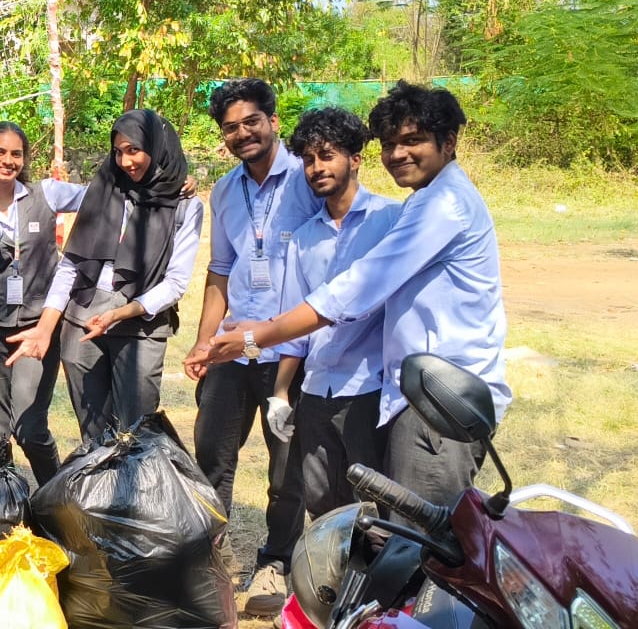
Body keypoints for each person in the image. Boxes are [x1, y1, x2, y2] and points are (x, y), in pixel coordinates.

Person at [192, 80, 510, 515]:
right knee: (336, 513)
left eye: (413, 141)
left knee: (413, 531)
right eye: (391, 143)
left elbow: (356, 289)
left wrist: (258, 337)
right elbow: (297, 301)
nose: (398, 154)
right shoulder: (407, 208)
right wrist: (275, 377)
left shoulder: (431, 209)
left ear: (449, 141)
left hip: (434, 396)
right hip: (371, 389)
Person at [182, 78, 319, 615]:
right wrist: (203, 341)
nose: (242, 134)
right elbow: (220, 270)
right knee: (212, 452)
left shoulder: (307, 177)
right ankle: (208, 560)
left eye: (251, 122)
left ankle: (275, 562)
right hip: (232, 349)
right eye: (231, 128)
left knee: (287, 466)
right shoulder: (224, 190)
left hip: (293, 348)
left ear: (273, 121)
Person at [6, 109, 203, 444]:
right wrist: (44, 328)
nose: (126, 161)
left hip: (140, 323)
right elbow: (71, 264)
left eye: (134, 150)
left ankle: (133, 497)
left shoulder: (184, 206)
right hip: (82, 320)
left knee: (136, 434)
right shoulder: (104, 190)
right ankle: (97, 496)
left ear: (156, 147)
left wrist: (119, 313)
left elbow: (175, 283)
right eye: (119, 151)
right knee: (93, 436)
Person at [273, 107, 401, 520]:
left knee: (376, 509)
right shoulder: (305, 238)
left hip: (370, 388)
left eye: (327, 155)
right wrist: (280, 392)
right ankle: (331, 585)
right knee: (324, 507)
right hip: (317, 391)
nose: (316, 167)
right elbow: (296, 321)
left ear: (356, 158)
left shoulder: (392, 220)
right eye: (308, 159)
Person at [0, 122, 81, 486]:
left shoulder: (47, 195)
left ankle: (55, 497)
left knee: (28, 425)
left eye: (15, 154)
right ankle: (2, 509)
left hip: (37, 329)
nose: (7, 161)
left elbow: (100, 196)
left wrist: (168, 186)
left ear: (23, 159)